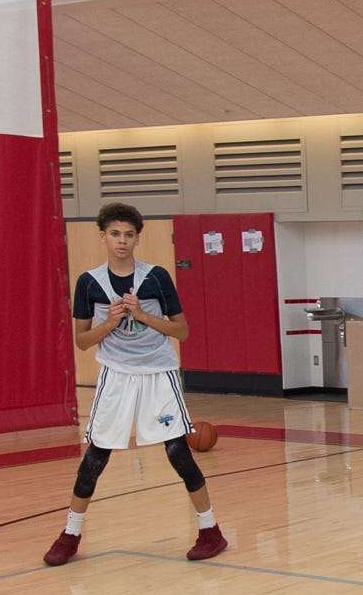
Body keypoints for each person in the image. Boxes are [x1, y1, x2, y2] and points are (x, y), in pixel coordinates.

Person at [41, 202, 226, 567]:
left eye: (128, 235)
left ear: (138, 239)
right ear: (103, 237)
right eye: (114, 234)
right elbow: (82, 341)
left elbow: (182, 331)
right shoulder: (90, 282)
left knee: (178, 453)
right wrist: (111, 322)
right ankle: (70, 533)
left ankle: (210, 531)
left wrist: (142, 315)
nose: (121, 241)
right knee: (96, 455)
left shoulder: (156, 277)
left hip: (158, 373)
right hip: (116, 374)